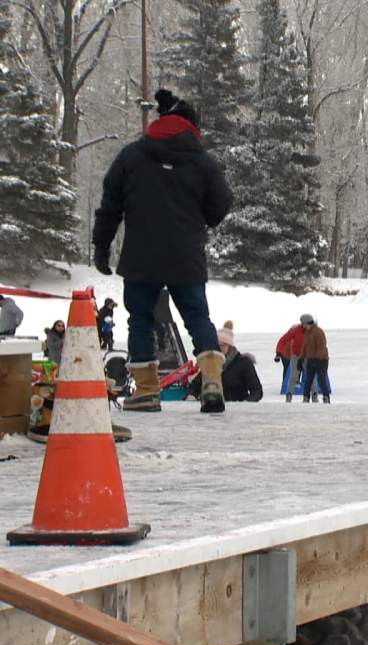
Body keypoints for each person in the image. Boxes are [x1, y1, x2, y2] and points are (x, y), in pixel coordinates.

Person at [92, 89, 233, 413]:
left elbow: (110, 204)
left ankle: (146, 391)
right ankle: (212, 382)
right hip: (187, 255)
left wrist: (101, 246)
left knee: (140, 320)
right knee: (198, 317)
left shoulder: (131, 156)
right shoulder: (202, 162)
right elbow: (220, 205)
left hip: (142, 256)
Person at [188, 322, 262, 403]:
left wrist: (245, 404)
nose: (219, 348)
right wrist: (191, 396)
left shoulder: (244, 363)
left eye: (222, 345)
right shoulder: (210, 364)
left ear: (229, 346)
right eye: (217, 345)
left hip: (237, 411)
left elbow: (257, 391)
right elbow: (194, 386)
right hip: (211, 410)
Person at [299, 314, 330, 403]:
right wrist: (301, 358)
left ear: (307, 323)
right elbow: (305, 347)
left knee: (321, 379)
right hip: (311, 359)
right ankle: (306, 397)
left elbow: (321, 346)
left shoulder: (318, 332)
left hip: (322, 360)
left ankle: (326, 397)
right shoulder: (307, 333)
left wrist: (317, 358)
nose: (302, 326)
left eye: (303, 324)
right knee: (308, 380)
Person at [275, 321, 306, 401]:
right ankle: (287, 384)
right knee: (289, 369)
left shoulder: (299, 336)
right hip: (286, 356)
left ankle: (294, 382)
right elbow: (281, 344)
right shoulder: (290, 337)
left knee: (296, 369)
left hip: (292, 356)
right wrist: (278, 354)